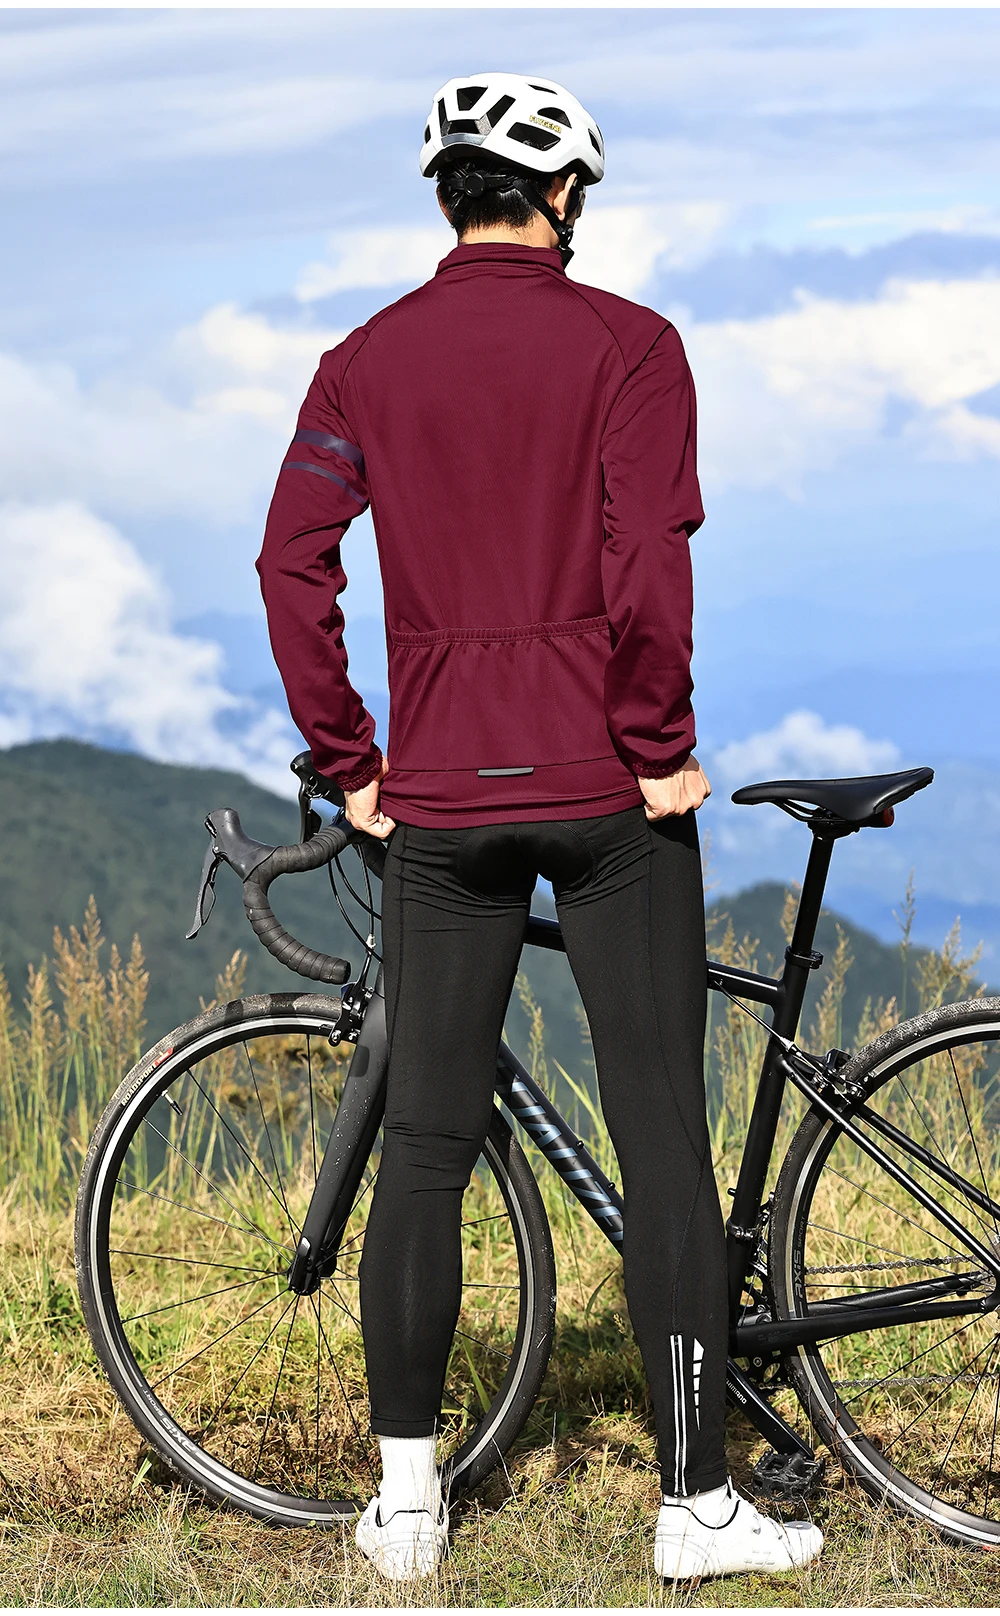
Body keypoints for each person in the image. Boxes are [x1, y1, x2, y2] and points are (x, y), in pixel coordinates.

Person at [256, 70, 824, 1586]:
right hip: (608, 798)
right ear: (562, 194)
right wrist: (659, 749)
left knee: (425, 1147)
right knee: (664, 1140)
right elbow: (648, 564)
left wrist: (351, 761)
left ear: (447, 196)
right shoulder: (634, 346)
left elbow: (290, 562)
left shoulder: (360, 365)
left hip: (441, 804)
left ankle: (409, 1510)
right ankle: (697, 1508)